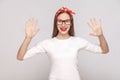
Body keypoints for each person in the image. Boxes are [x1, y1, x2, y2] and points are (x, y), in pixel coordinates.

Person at [17, 6, 109, 80]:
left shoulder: (78, 41)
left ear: (71, 23)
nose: (63, 25)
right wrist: (28, 38)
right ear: (56, 23)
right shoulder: (47, 43)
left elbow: (104, 50)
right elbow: (20, 57)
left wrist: (100, 35)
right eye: (60, 21)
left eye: (67, 21)